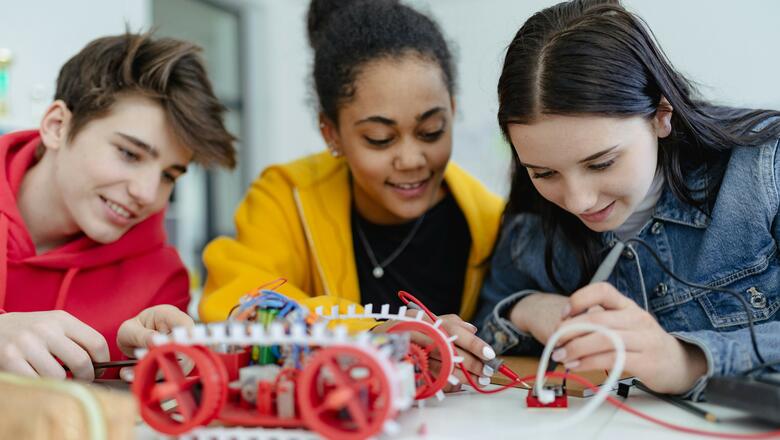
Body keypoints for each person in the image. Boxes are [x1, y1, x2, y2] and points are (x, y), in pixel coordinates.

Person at [476, 0, 780, 399]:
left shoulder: (763, 169)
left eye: (601, 163)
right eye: (544, 173)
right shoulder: (533, 221)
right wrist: (527, 309)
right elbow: (484, 331)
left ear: (661, 114)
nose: (579, 200)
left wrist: (687, 361)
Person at [201, 0, 503, 385]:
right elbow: (237, 301)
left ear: (452, 109)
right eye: (380, 139)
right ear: (331, 133)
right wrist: (370, 333)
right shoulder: (286, 197)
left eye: (432, 130)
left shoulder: (489, 220)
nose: (411, 159)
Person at [0, 32, 236, 381]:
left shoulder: (161, 282)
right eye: (129, 154)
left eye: (169, 175)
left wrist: (162, 374)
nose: (147, 193)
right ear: (57, 126)